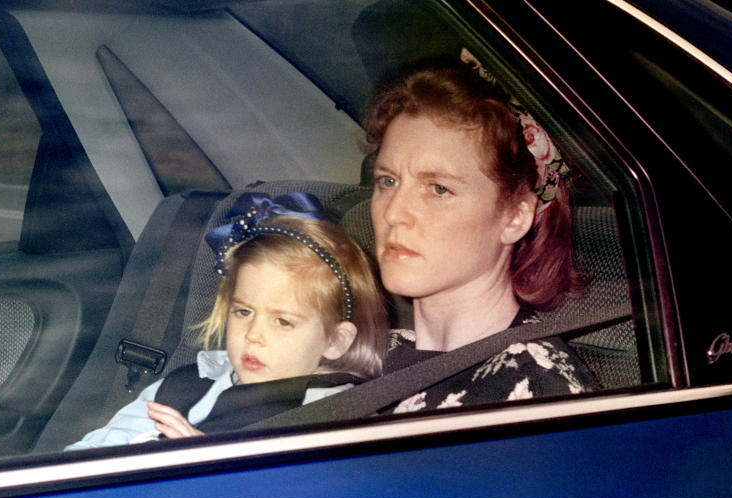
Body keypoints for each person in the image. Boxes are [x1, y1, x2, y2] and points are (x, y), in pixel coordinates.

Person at [364, 55, 600, 413]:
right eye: (388, 181)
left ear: (514, 217)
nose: (393, 212)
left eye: (438, 189)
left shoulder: (533, 394)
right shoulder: (372, 353)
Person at [67, 191, 388, 447]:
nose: (253, 335)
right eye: (244, 312)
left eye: (283, 321)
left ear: (335, 341)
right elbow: (93, 453)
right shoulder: (185, 384)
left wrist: (218, 468)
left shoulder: (338, 414)